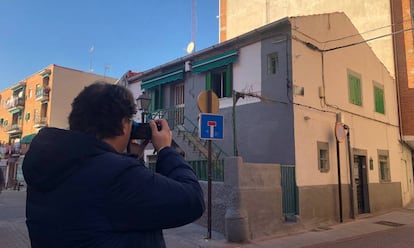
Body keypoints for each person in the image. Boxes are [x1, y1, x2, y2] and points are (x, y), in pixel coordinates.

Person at [22, 82, 205, 248]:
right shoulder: (116, 175)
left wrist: (131, 158)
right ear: (123, 125)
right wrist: (165, 150)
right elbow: (192, 200)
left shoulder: (48, 165)